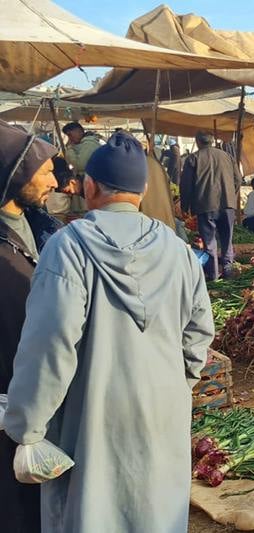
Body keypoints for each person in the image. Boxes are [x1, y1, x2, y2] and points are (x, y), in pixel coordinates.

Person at [3, 130, 215, 533]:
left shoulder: (68, 249)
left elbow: (50, 346)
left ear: (90, 185)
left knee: (93, 511)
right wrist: (174, 384)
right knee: (154, 512)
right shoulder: (179, 252)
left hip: (91, 417)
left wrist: (25, 425)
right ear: (145, 189)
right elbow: (199, 335)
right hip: (161, 414)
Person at [0, 120, 60, 533]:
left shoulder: (37, 226)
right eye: (45, 172)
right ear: (15, 176)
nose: (55, 181)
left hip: (32, 390)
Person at [180, 131, 242, 280]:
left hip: (205, 205)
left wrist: (185, 206)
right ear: (212, 141)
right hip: (228, 205)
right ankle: (228, 272)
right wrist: (231, 195)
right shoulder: (227, 157)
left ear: (197, 141)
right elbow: (238, 179)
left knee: (210, 243)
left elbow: (186, 186)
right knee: (227, 241)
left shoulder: (193, 158)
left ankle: (213, 276)